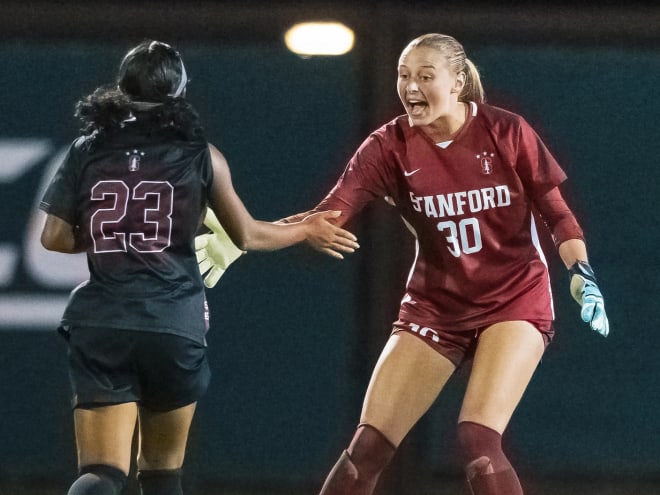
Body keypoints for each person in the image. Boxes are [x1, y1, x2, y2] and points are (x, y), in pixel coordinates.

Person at [201, 33, 609, 495]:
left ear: (458, 83)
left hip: (514, 299)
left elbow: (556, 212)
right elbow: (328, 215)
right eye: (403, 76)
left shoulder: (507, 131)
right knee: (366, 450)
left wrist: (582, 273)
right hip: (435, 306)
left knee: (477, 438)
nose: (411, 87)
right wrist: (249, 235)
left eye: (425, 77)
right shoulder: (388, 146)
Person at [38, 40, 359, 495]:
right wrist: (305, 230)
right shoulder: (201, 155)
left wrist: (121, 237)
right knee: (162, 472)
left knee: (102, 473)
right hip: (173, 323)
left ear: (121, 88)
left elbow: (53, 236)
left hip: (102, 321)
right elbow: (247, 235)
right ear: (180, 92)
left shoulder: (87, 148)